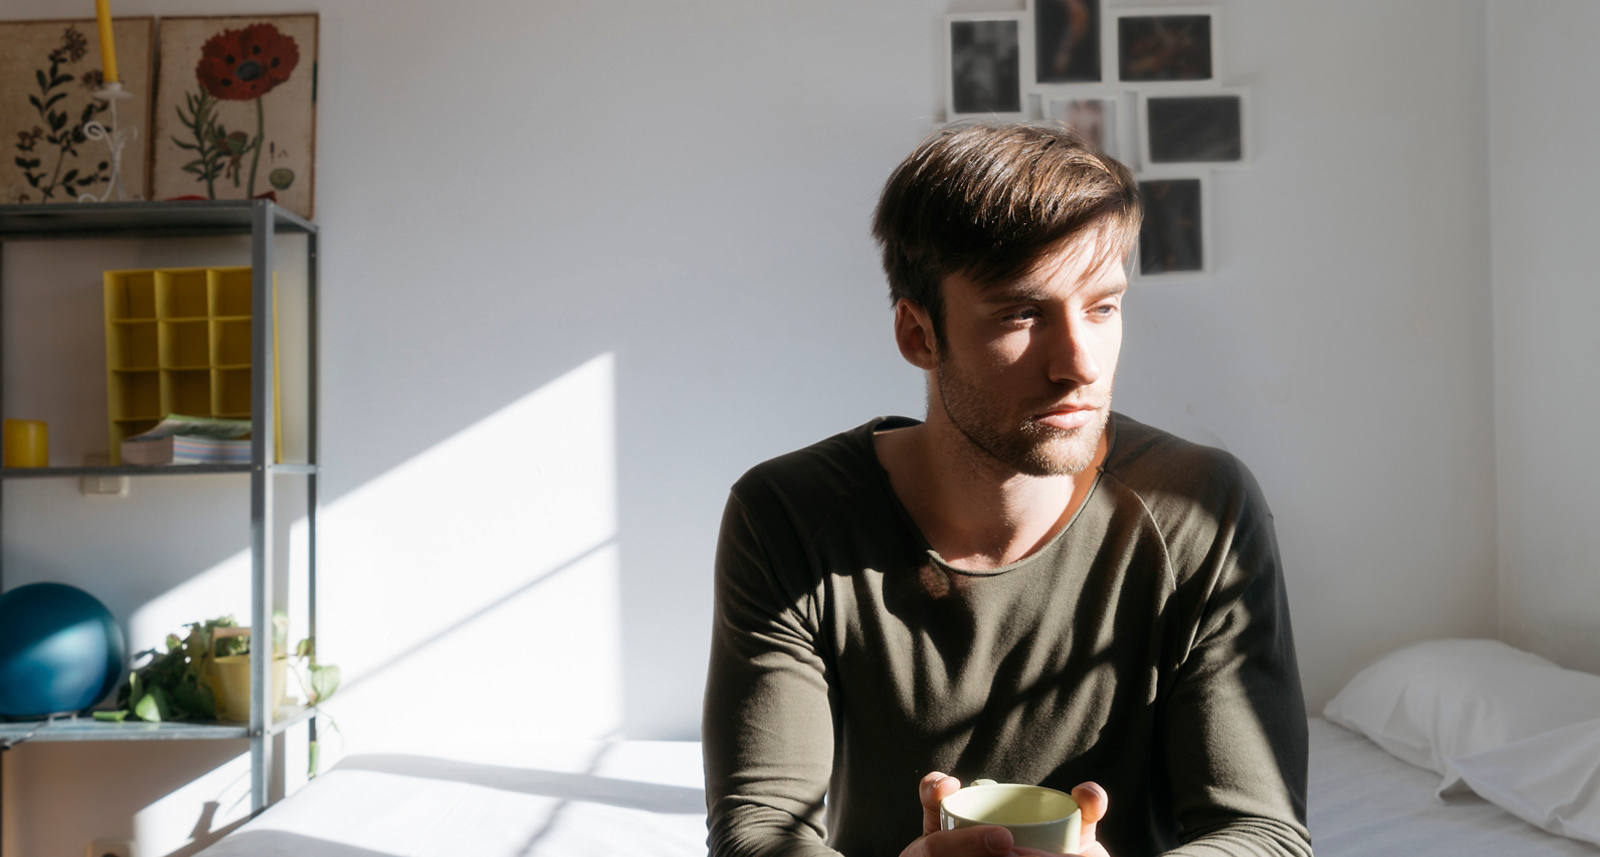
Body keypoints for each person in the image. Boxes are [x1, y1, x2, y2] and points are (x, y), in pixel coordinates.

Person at [702, 122, 1312, 857]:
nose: (1078, 364)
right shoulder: (790, 516)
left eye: (1103, 306)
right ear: (918, 334)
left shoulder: (1200, 508)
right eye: (1022, 313)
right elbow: (759, 827)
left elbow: (1262, 831)